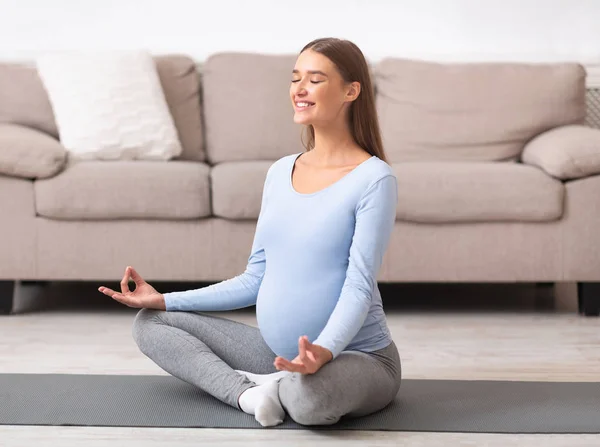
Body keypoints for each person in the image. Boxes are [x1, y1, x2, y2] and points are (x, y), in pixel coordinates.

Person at [98, 37, 401, 427]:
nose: (300, 90)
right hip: (275, 353)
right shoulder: (279, 172)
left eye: (315, 79)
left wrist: (324, 351)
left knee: (308, 401)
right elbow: (255, 278)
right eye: (295, 79)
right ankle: (249, 394)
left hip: (355, 358)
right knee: (152, 324)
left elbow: (359, 287)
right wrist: (164, 299)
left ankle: (280, 387)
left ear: (350, 90)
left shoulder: (374, 178)